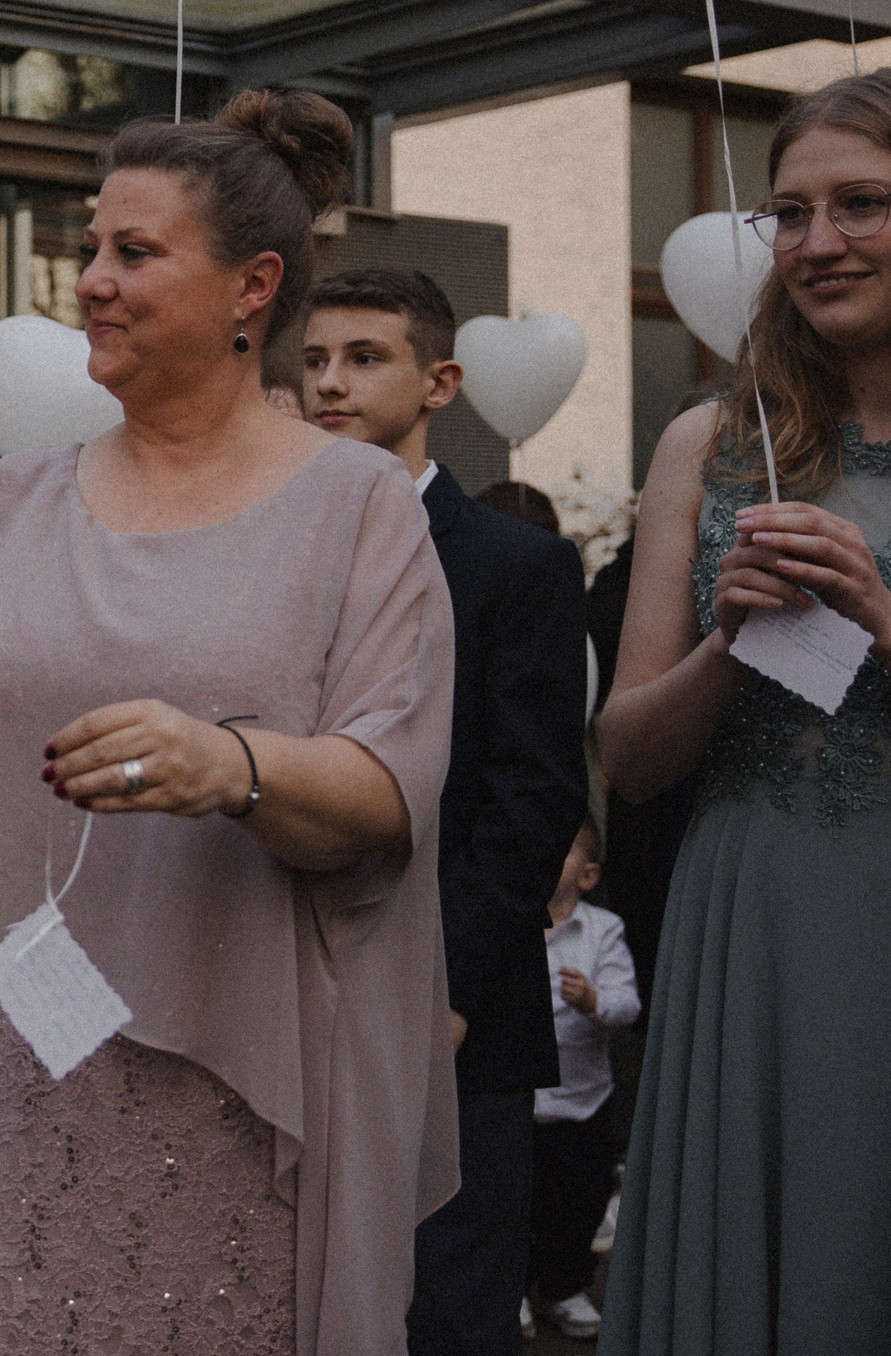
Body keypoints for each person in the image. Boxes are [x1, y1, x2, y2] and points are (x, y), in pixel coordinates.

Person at [0, 90, 458, 1355]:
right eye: (91, 248)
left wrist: (232, 764)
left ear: (250, 287)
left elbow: (390, 786)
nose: (91, 281)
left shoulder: (358, 507)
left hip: (230, 1052)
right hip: (27, 1047)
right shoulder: (13, 496)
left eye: (134, 252)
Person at [599, 64, 891, 1353]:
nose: (818, 244)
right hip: (752, 910)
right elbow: (629, 761)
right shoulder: (709, 443)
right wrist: (727, 643)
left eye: (861, 204)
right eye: (789, 214)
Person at [301, 266, 588, 1356]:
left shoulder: (520, 566)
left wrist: (450, 991)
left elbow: (533, 794)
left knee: (449, 1311)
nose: (330, 383)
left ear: (440, 382)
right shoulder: (275, 547)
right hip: (293, 981)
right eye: (315, 359)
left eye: (364, 358)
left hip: (456, 1007)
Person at [529, 820, 636, 1342]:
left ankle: (564, 1287)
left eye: (562, 850)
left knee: (576, 1204)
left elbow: (628, 1005)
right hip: (520, 1103)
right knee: (517, 1203)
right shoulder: (510, 919)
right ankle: (512, 1292)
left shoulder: (603, 930)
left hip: (583, 1102)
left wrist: (593, 1002)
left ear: (588, 876)